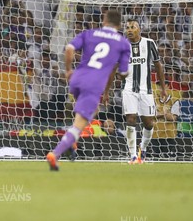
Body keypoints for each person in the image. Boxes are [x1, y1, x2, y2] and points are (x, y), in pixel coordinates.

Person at [47, 10, 131, 171]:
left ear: (104, 21)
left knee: (91, 112)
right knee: (79, 124)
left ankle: (72, 142)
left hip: (77, 78)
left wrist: (68, 70)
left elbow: (69, 49)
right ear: (119, 25)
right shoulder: (123, 43)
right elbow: (123, 72)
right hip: (93, 85)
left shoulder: (89, 33)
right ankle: (55, 154)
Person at [120, 19, 168, 164]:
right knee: (131, 119)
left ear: (139, 29)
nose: (129, 29)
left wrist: (163, 88)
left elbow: (158, 65)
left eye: (132, 27)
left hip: (146, 90)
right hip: (128, 89)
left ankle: (143, 148)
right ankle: (133, 155)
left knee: (148, 123)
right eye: (127, 27)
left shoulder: (149, 43)